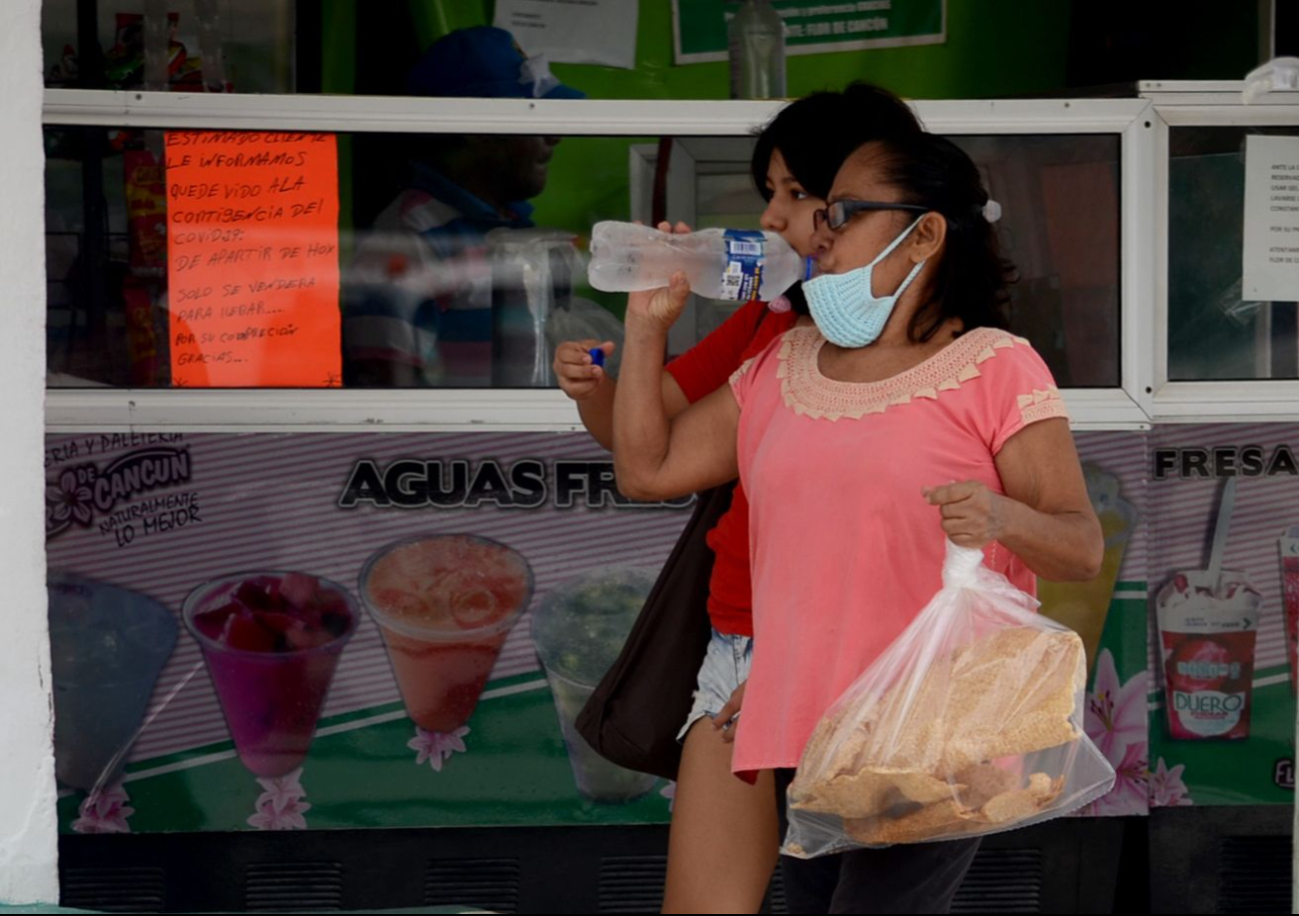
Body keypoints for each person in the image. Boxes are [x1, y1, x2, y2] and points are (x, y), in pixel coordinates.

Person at [610, 129, 1104, 914]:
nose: (819, 233)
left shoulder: (994, 366)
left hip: (937, 732)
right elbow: (647, 469)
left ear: (926, 234)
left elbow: (1079, 546)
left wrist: (1000, 514)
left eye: (841, 212)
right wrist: (645, 328)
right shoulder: (781, 365)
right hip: (813, 737)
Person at [553, 85, 924, 914]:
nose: (774, 219)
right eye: (772, 194)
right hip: (742, 653)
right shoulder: (774, 336)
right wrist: (639, 332)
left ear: (876, 205)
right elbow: (645, 457)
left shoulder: (963, 360)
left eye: (797, 194)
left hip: (881, 670)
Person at [343, 26, 583, 388]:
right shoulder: (411, 236)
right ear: (480, 129)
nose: (555, 137)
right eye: (534, 121)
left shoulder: (512, 224)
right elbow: (384, 386)